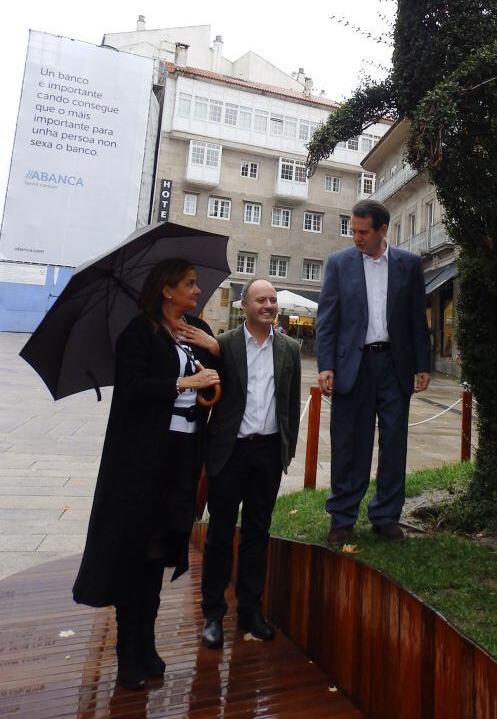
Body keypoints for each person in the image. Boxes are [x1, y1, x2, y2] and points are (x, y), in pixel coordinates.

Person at [73, 259, 220, 690]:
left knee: (160, 550)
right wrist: (182, 385)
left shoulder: (194, 329)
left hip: (181, 457)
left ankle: (148, 645)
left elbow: (216, 380)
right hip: (142, 462)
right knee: (136, 553)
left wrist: (212, 350)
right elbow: (133, 389)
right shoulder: (138, 333)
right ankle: (127, 654)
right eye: (189, 285)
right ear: (166, 291)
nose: (196, 291)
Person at [316, 198, 431, 544]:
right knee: (349, 443)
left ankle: (385, 516)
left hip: (395, 365)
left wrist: (423, 364)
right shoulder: (339, 264)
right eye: (353, 230)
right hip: (354, 365)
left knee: (394, 443)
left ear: (383, 230)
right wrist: (327, 366)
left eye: (363, 231)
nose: (356, 237)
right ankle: (342, 516)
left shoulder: (409, 265)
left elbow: (416, 318)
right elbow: (327, 320)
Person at [200, 278, 301, 648]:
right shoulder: (224, 346)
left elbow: (291, 404)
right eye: (261, 300)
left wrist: (285, 450)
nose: (269, 305)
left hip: (268, 453)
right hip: (231, 452)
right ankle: (212, 613)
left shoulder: (289, 348)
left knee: (258, 532)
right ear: (244, 306)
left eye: (273, 300)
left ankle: (250, 610)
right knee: (220, 533)